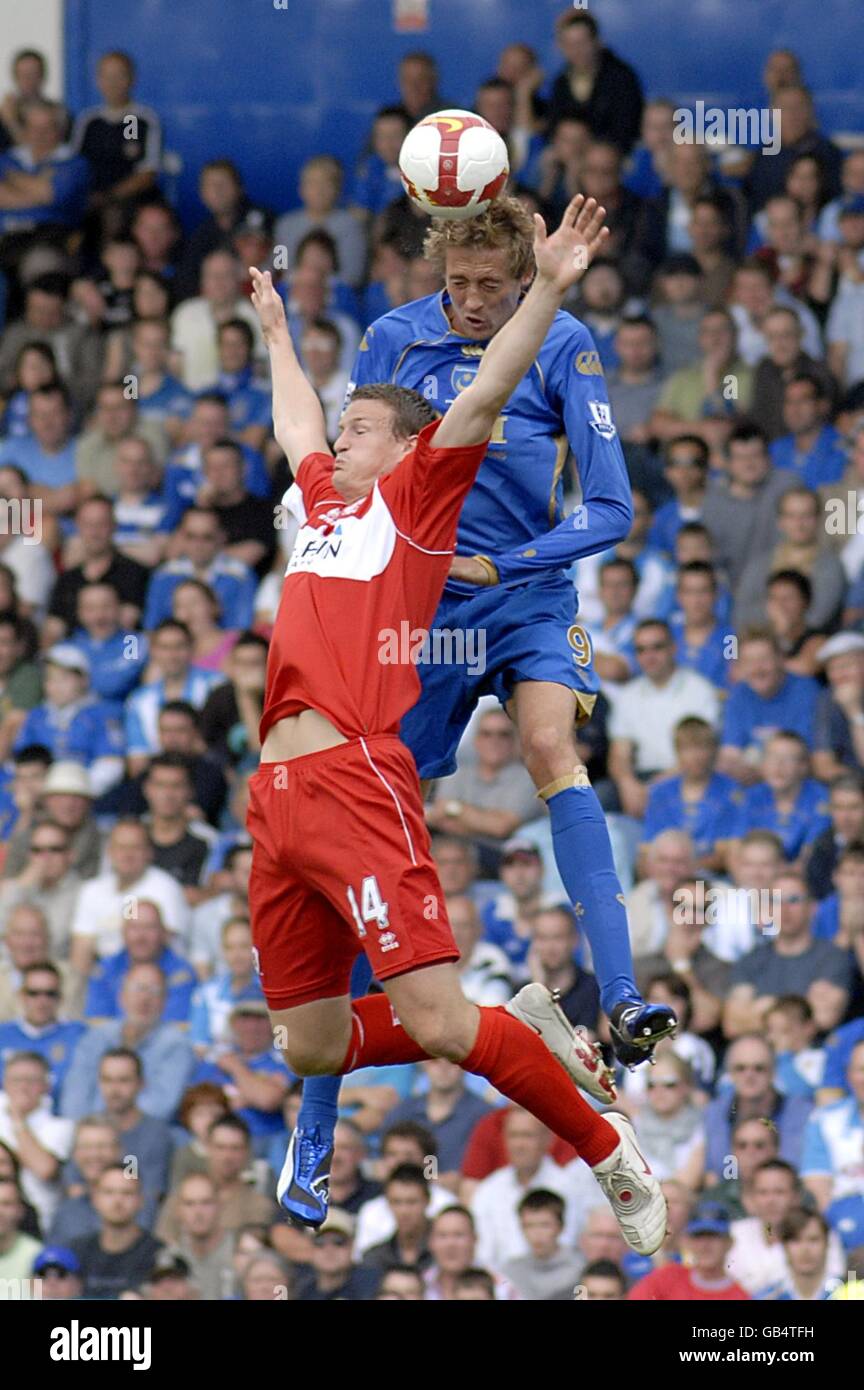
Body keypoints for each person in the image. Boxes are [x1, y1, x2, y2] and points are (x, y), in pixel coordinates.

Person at [247, 202, 669, 1250]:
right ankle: (496, 1033)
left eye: (363, 429)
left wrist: (557, 286)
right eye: (343, 429)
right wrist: (272, 332)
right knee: (304, 1044)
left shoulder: (411, 501)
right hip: (277, 795)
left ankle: (603, 1121)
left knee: (440, 1015)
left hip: (366, 754)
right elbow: (296, 422)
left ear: (404, 450)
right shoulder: (324, 496)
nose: (342, 433)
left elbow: (482, 393)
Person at [608, 619, 721, 818]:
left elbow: (703, 753)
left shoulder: (700, 690)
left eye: (657, 647)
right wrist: (628, 785)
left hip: (688, 776)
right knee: (600, 795)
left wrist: (654, 787)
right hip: (641, 778)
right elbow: (619, 753)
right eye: (641, 650)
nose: (649, 656)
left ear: (674, 648)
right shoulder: (628, 695)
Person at [724, 871, 853, 1038]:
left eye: (794, 900)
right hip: (760, 1056)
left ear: (812, 908)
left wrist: (763, 1006)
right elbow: (732, 1025)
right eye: (776, 901)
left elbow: (823, 1017)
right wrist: (800, 1009)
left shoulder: (833, 957)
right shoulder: (750, 960)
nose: (784, 909)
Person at [60, 963, 195, 1121]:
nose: (144, 999)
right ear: (121, 997)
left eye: (154, 991)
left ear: (165, 1001)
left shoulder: (176, 1045)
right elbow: (74, 1098)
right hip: (90, 1131)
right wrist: (90, 1129)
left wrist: (116, 1125)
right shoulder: (95, 1037)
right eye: (137, 989)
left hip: (143, 1134)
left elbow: (161, 1105)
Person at [702, 1035, 813, 1179]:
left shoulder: (803, 1113)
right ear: (729, 1073)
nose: (749, 1075)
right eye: (740, 1068)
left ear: (773, 1071)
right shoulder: (713, 1113)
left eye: (759, 1068)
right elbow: (712, 1174)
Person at [546, 10, 643, 154]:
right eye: (569, 45)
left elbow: (625, 129)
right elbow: (553, 126)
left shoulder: (621, 78)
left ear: (597, 42)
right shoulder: (561, 81)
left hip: (610, 156)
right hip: (567, 156)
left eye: (581, 43)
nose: (576, 51)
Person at [0, 960, 86, 1105]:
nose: (42, 1001)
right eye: (34, 993)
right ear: (21, 996)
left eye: (50, 994)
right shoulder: (3, 1035)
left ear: (61, 997)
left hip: (61, 1119)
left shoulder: (79, 1036)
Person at [69, 1166, 161, 1299]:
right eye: (109, 1192)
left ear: (141, 1200)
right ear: (94, 1199)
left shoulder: (159, 1255)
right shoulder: (76, 1252)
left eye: (127, 1193)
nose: (118, 1201)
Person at [628, 1201, 750, 1301]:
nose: (705, 1245)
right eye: (698, 1236)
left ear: (729, 1243)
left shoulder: (741, 1296)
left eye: (713, 1236)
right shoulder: (666, 1278)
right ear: (687, 1242)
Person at [501, 1188, 583, 1301]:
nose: (537, 1233)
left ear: (561, 1227)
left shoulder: (580, 1269)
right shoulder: (510, 1273)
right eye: (529, 1225)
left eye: (545, 1225)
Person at [756, 1208, 839, 1301]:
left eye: (813, 1239)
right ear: (784, 1246)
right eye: (796, 1240)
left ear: (827, 1244)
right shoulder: (766, 1297)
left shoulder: (849, 1294)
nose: (805, 1249)